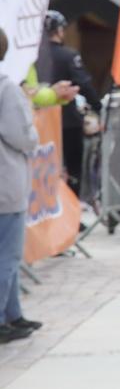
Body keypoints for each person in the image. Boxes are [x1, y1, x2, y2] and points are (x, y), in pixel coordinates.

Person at [0, 27, 43, 344]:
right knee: (8, 254)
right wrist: (33, 132)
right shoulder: (7, 89)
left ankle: (12, 313)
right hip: (6, 181)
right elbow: (23, 136)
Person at [45, 10, 102, 198]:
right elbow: (83, 84)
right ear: (59, 31)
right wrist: (98, 107)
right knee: (73, 169)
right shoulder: (68, 56)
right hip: (68, 121)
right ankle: (71, 206)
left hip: (42, 122)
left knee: (45, 168)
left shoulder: (33, 59)